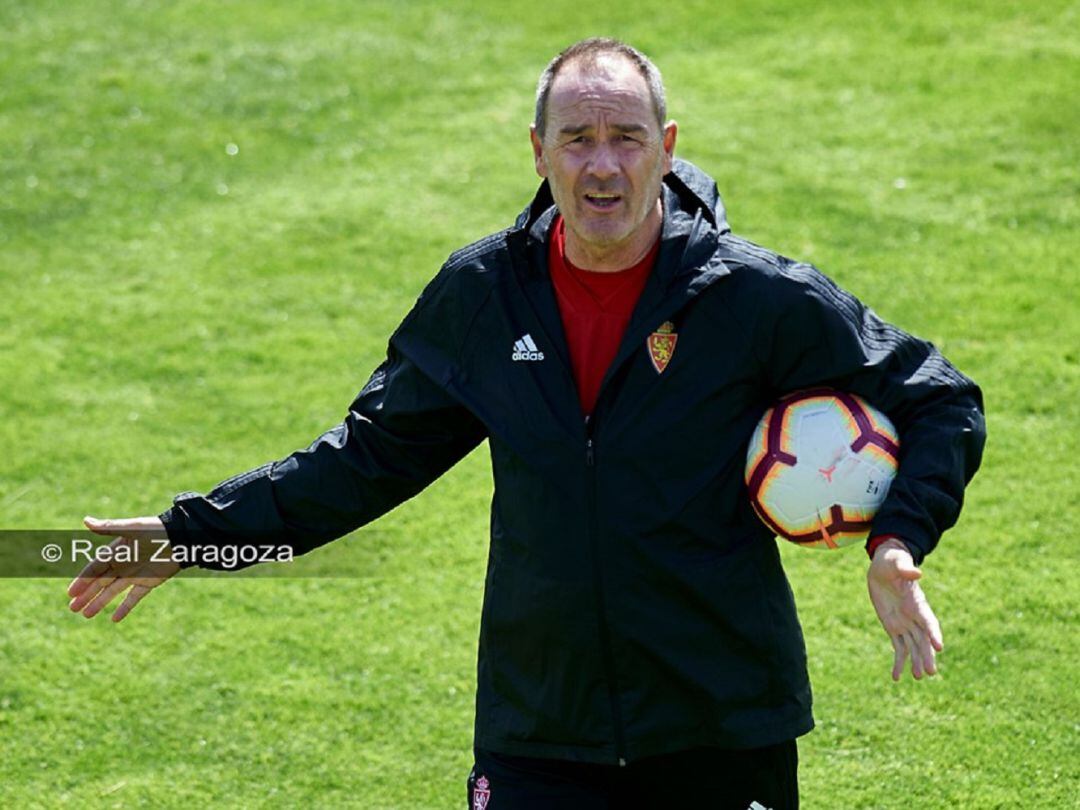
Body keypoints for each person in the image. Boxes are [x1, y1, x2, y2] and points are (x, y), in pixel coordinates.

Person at [67, 38, 986, 809]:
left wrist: (897, 542)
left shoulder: (751, 297)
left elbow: (940, 396)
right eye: (577, 138)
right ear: (537, 151)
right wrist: (189, 537)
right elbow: (364, 460)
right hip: (540, 728)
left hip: (720, 723)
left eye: (626, 138)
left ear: (665, 148)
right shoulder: (484, 296)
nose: (602, 165)